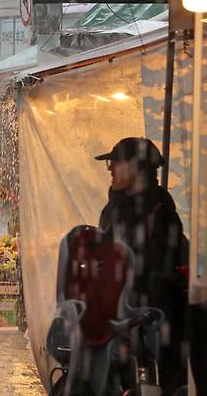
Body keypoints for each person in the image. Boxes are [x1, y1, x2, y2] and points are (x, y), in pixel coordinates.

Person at [95, 137, 187, 394]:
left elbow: (160, 277)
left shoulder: (160, 212)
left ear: (138, 168)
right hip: (114, 316)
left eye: (116, 161)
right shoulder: (111, 209)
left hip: (150, 326)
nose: (111, 167)